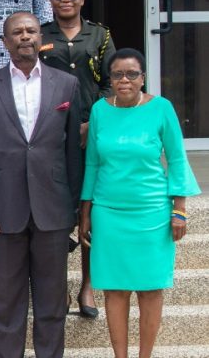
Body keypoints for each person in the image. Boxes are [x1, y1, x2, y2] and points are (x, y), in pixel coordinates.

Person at [0, 11, 82, 358]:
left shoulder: (66, 84)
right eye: (17, 32)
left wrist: (74, 206)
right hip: (2, 210)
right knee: (5, 304)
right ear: (5, 42)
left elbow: (73, 153)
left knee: (52, 303)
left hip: (53, 209)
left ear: (40, 38)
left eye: (31, 30)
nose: (25, 36)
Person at [79, 48, 200, 358]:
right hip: (109, 214)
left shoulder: (161, 108)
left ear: (143, 77)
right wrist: (85, 212)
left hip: (153, 214)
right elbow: (92, 163)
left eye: (132, 74)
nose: (125, 80)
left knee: (150, 289)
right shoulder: (100, 111)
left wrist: (180, 209)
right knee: (114, 289)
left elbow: (176, 159)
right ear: (110, 79)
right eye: (118, 74)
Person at [39, 0, 116, 319]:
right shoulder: (40, 34)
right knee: (56, 212)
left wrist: (92, 123)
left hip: (90, 134)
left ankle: (88, 284)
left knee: (89, 210)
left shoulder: (99, 35)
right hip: (49, 134)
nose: (66, 0)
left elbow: (111, 82)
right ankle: (60, 288)